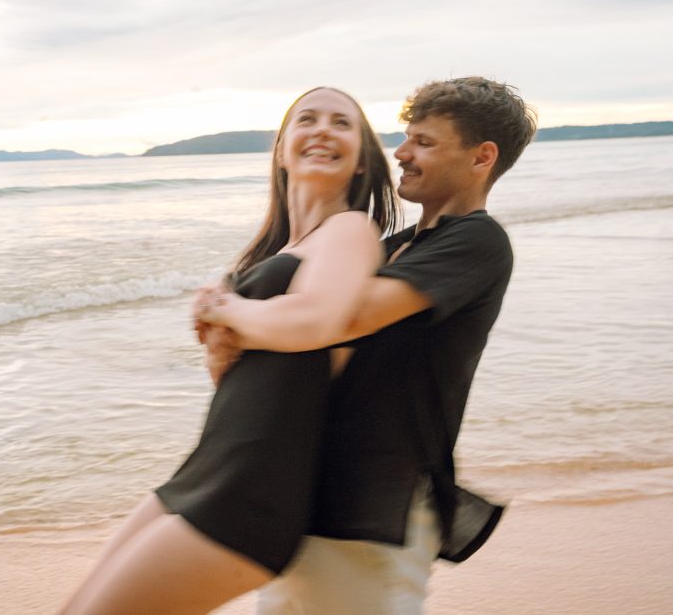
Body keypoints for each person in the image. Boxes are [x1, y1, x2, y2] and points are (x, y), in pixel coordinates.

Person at [197, 76, 537, 614]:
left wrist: (227, 311)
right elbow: (294, 351)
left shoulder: (476, 241)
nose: (401, 153)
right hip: (315, 488)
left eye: (423, 142)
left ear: (482, 156)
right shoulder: (394, 246)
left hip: (376, 500)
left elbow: (340, 319)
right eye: (406, 138)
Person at [60, 86, 399, 615]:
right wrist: (219, 339)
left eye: (342, 123)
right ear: (283, 149)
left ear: (361, 162)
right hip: (204, 472)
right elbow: (249, 381)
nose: (323, 130)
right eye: (307, 119)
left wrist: (225, 313)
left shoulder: (351, 230)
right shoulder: (273, 254)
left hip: (252, 493)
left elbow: (315, 320)